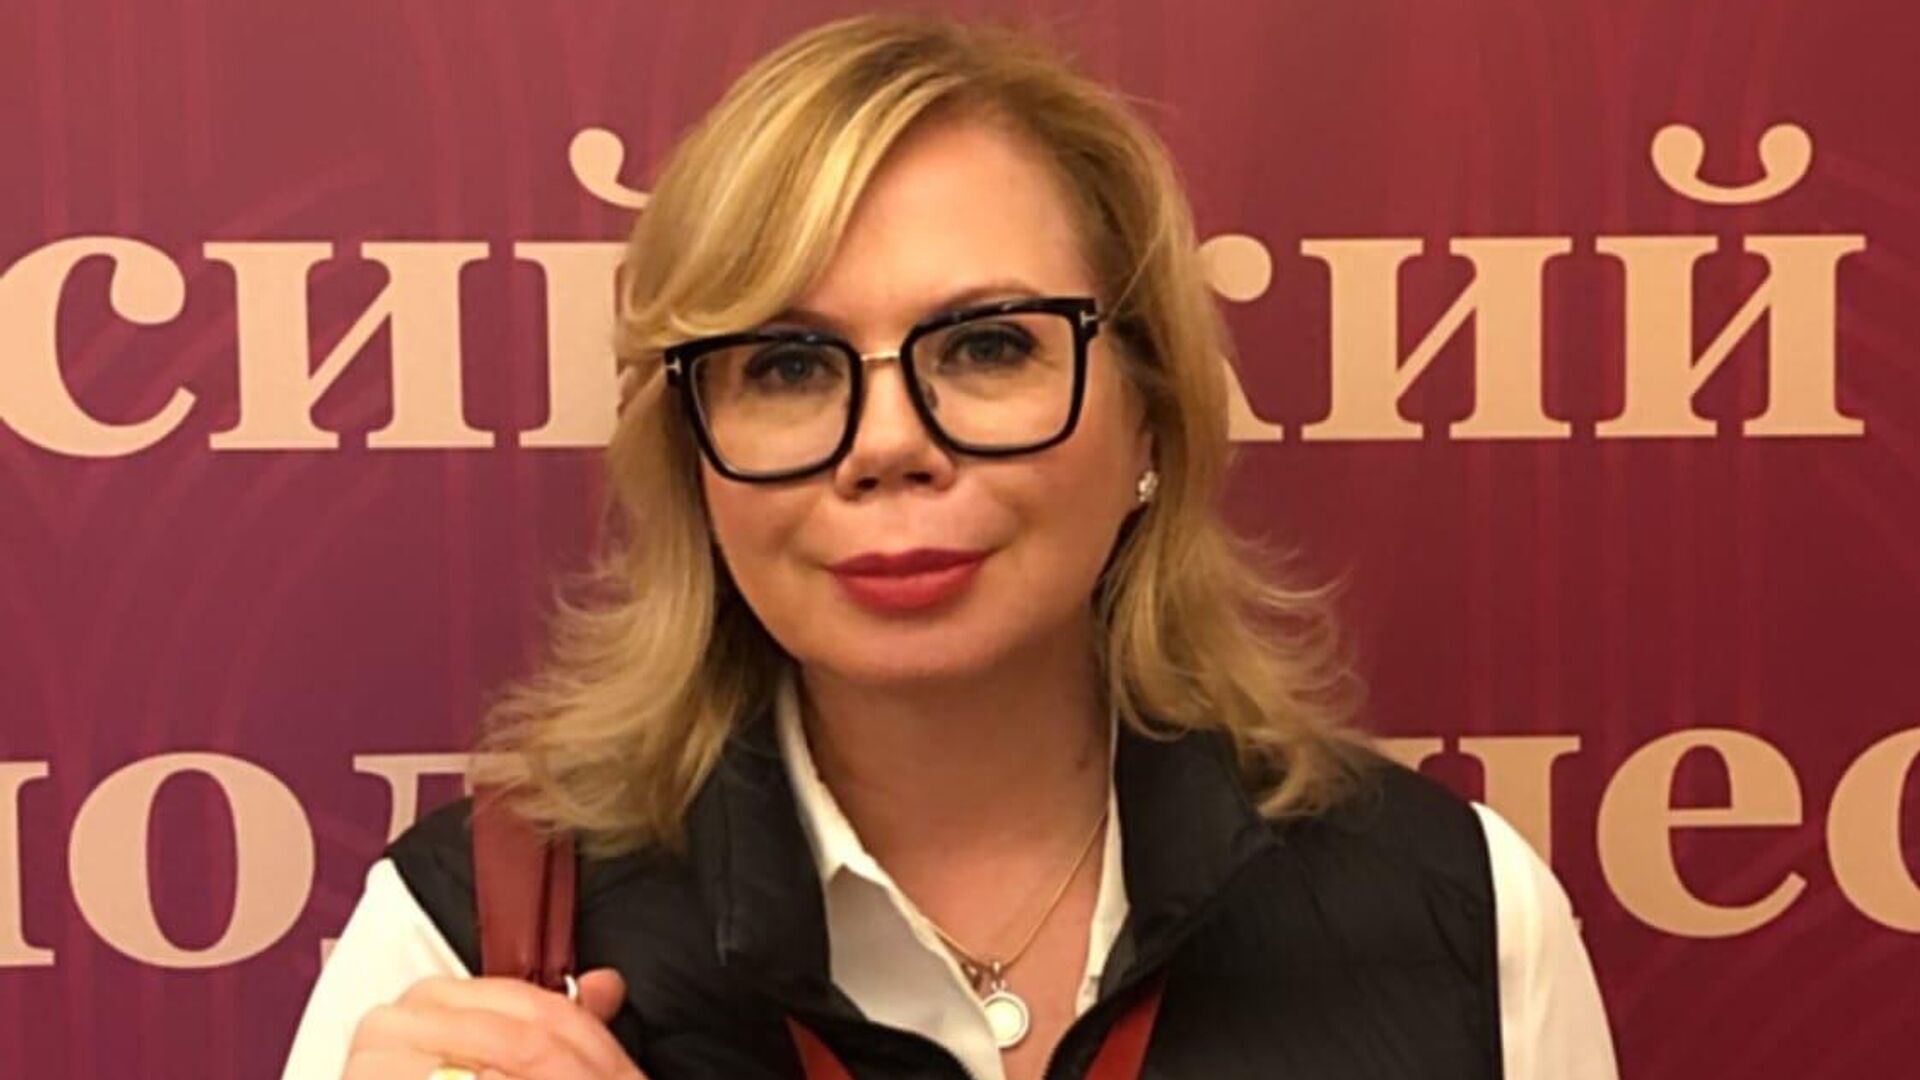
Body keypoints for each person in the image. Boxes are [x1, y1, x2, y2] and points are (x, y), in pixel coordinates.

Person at [281, 12, 1619, 1080]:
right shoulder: (468, 953)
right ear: (695, 459)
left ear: (1151, 412)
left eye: (986, 347)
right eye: (787, 364)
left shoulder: (1461, 918)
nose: (886, 444)